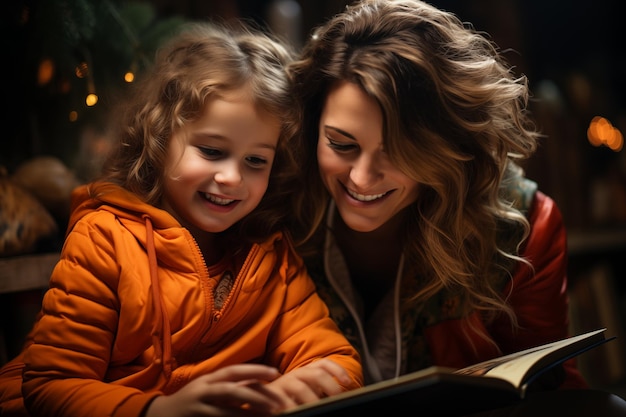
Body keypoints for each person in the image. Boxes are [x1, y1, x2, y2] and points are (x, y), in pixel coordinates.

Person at [0, 22, 363, 417]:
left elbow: (337, 363)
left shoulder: (270, 257)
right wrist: (156, 411)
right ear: (159, 139)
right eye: (211, 151)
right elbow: (51, 386)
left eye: (256, 160)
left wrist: (301, 386)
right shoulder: (105, 239)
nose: (232, 177)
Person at [287, 0, 626, 415]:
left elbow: (550, 390)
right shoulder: (273, 205)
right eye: (341, 144)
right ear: (311, 126)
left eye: (399, 152)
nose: (360, 178)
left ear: (447, 146)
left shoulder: (521, 224)